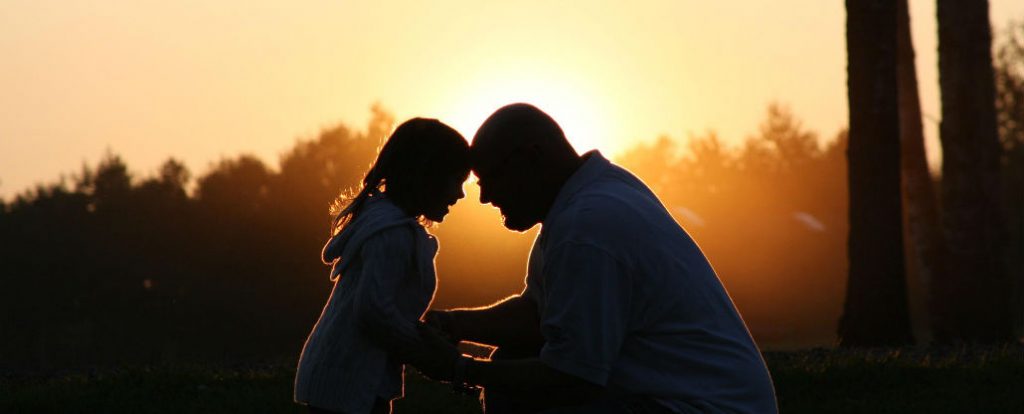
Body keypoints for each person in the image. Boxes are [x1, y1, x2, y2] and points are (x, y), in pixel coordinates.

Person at [410, 103, 778, 413]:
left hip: (700, 407)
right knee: (512, 363)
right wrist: (453, 325)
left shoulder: (586, 228)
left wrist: (460, 369)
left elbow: (573, 379)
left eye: (490, 178)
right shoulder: (592, 195)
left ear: (531, 160)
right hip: (694, 400)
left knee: (522, 391)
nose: (485, 197)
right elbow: (542, 315)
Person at [294, 118, 470, 414]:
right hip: (350, 380)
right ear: (428, 176)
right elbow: (373, 311)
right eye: (457, 181)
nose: (461, 194)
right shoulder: (393, 234)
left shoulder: (384, 222)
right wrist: (425, 350)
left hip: (343, 373)